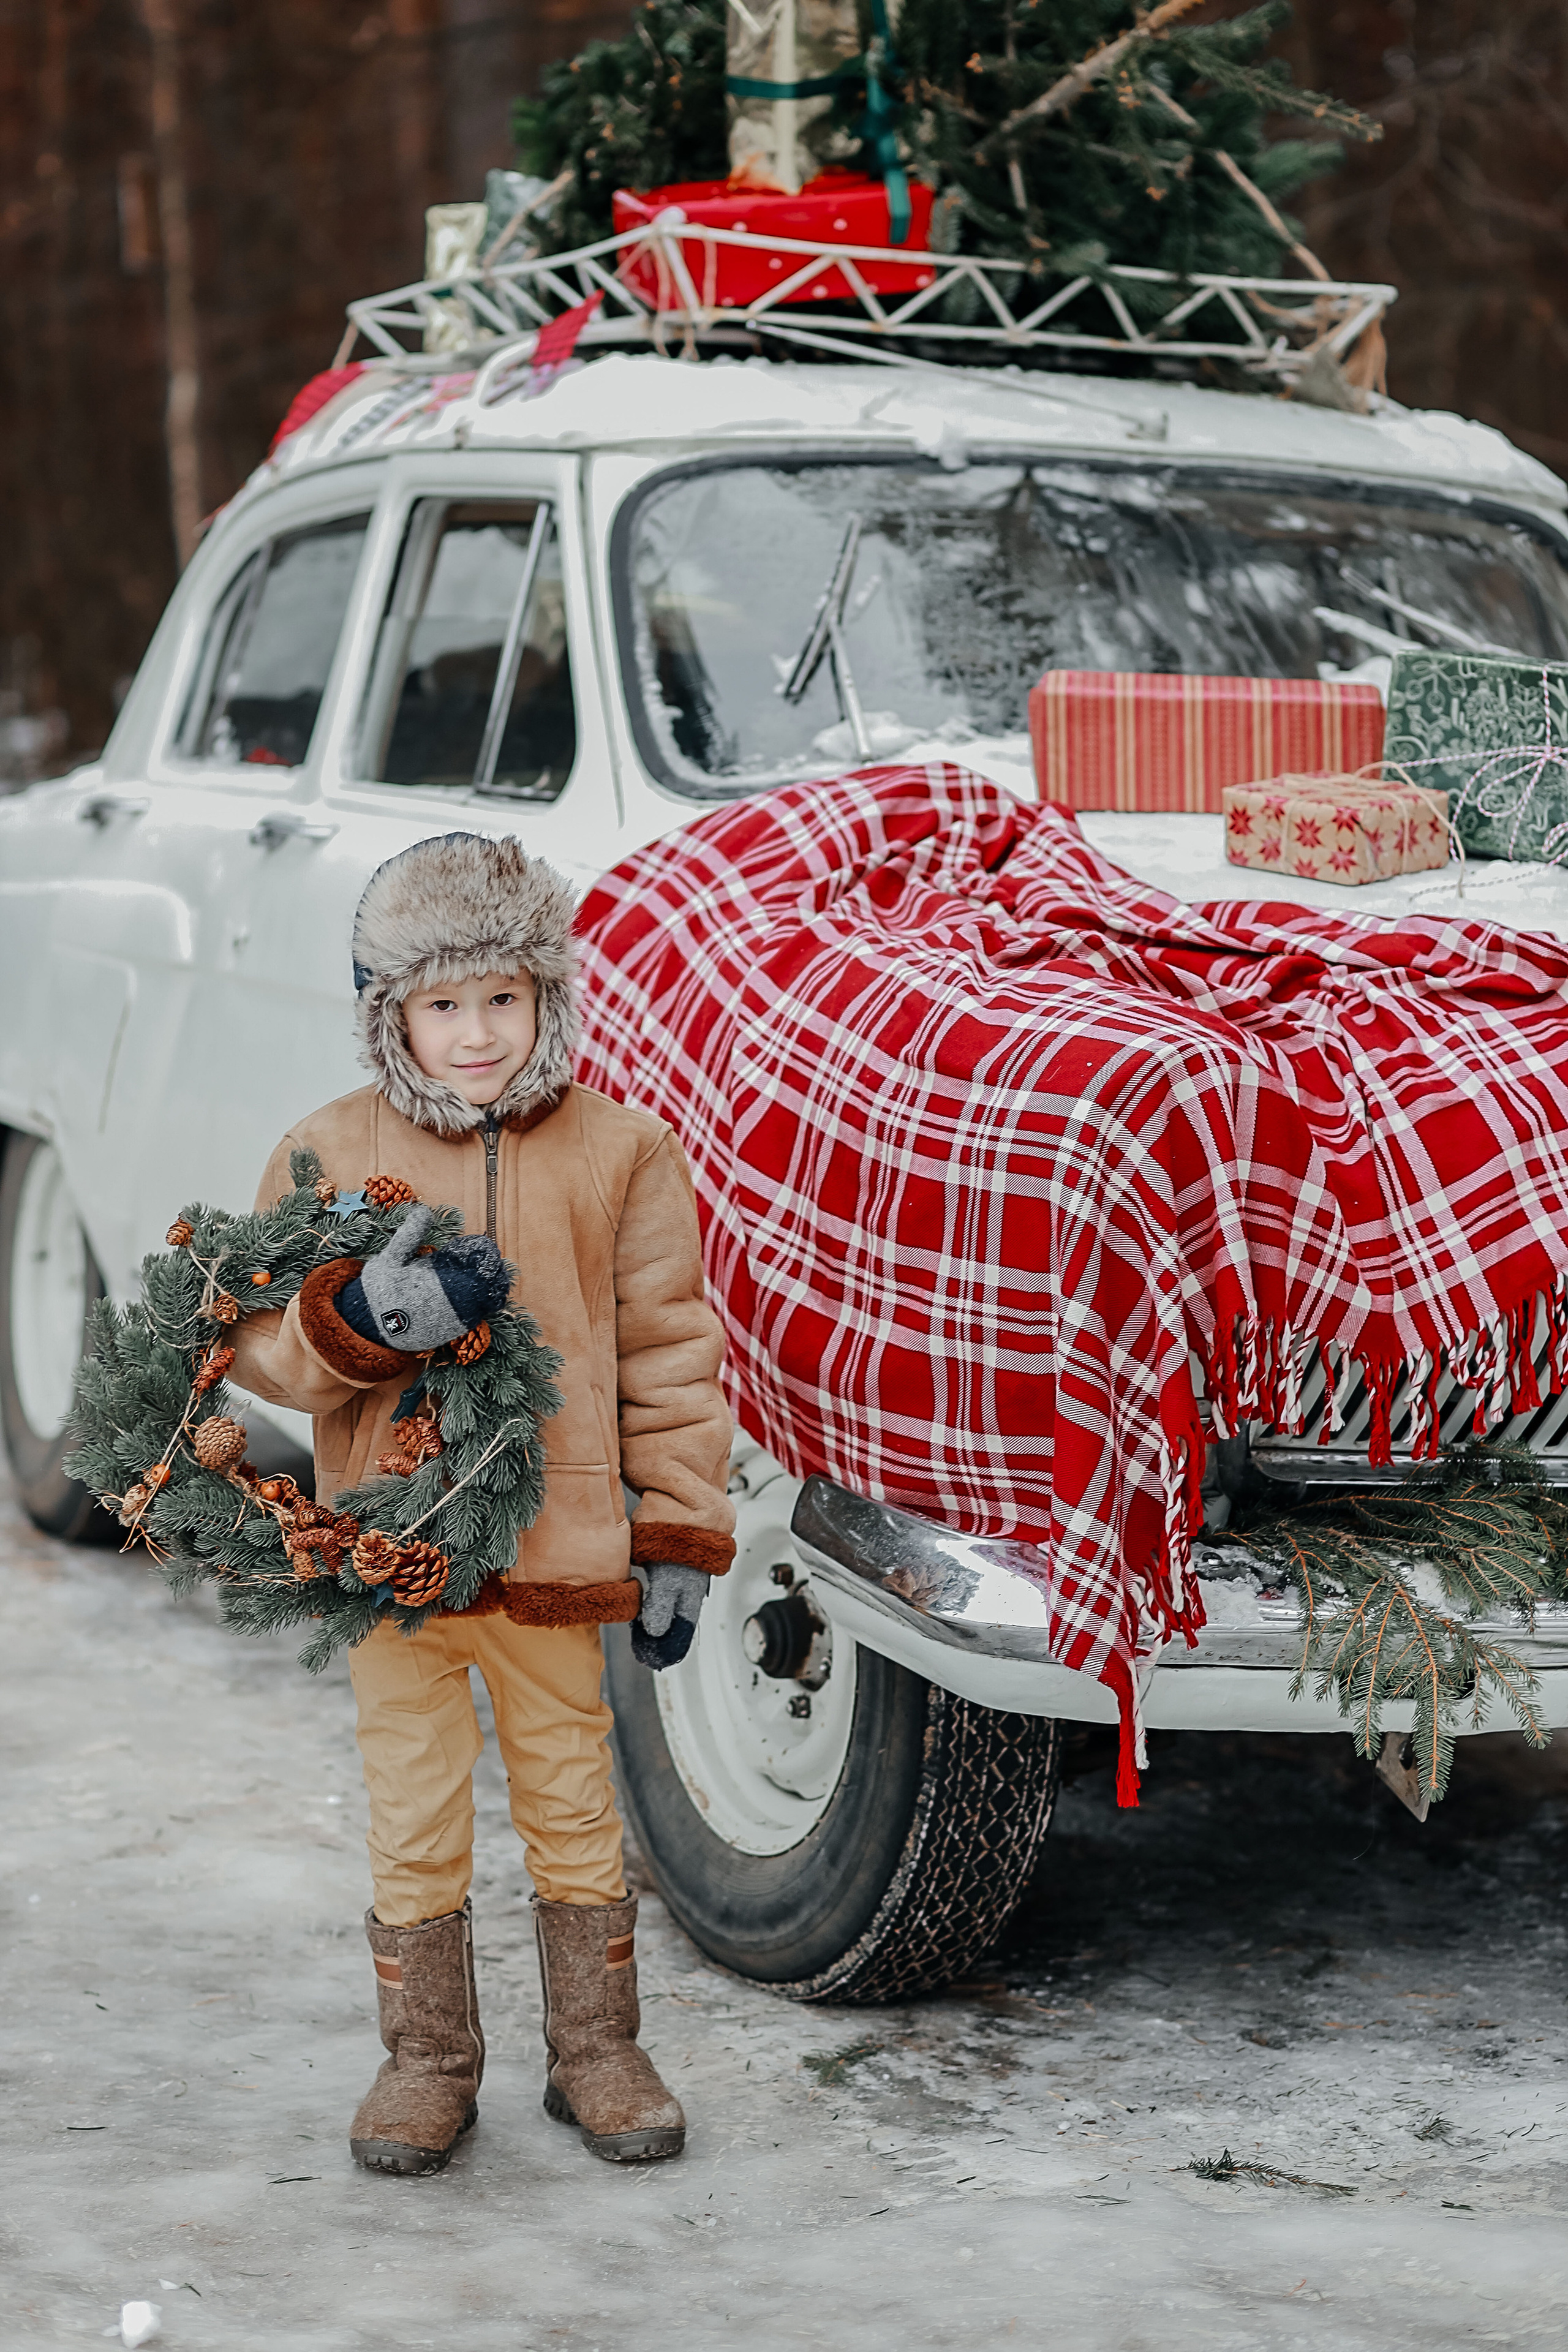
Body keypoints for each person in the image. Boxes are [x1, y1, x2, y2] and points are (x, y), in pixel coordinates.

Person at [227, 831, 734, 2177]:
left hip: (557, 1551)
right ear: (389, 1011)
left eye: (502, 998)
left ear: (547, 997)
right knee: (413, 1804)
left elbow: (671, 1350)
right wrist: (358, 1324)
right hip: (391, 1552)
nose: (475, 1033)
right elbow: (258, 1348)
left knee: (572, 1795)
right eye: (441, 1004)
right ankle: (429, 2060)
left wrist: (680, 1527)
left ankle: (598, 2050)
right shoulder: (326, 1153)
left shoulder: (621, 1151)